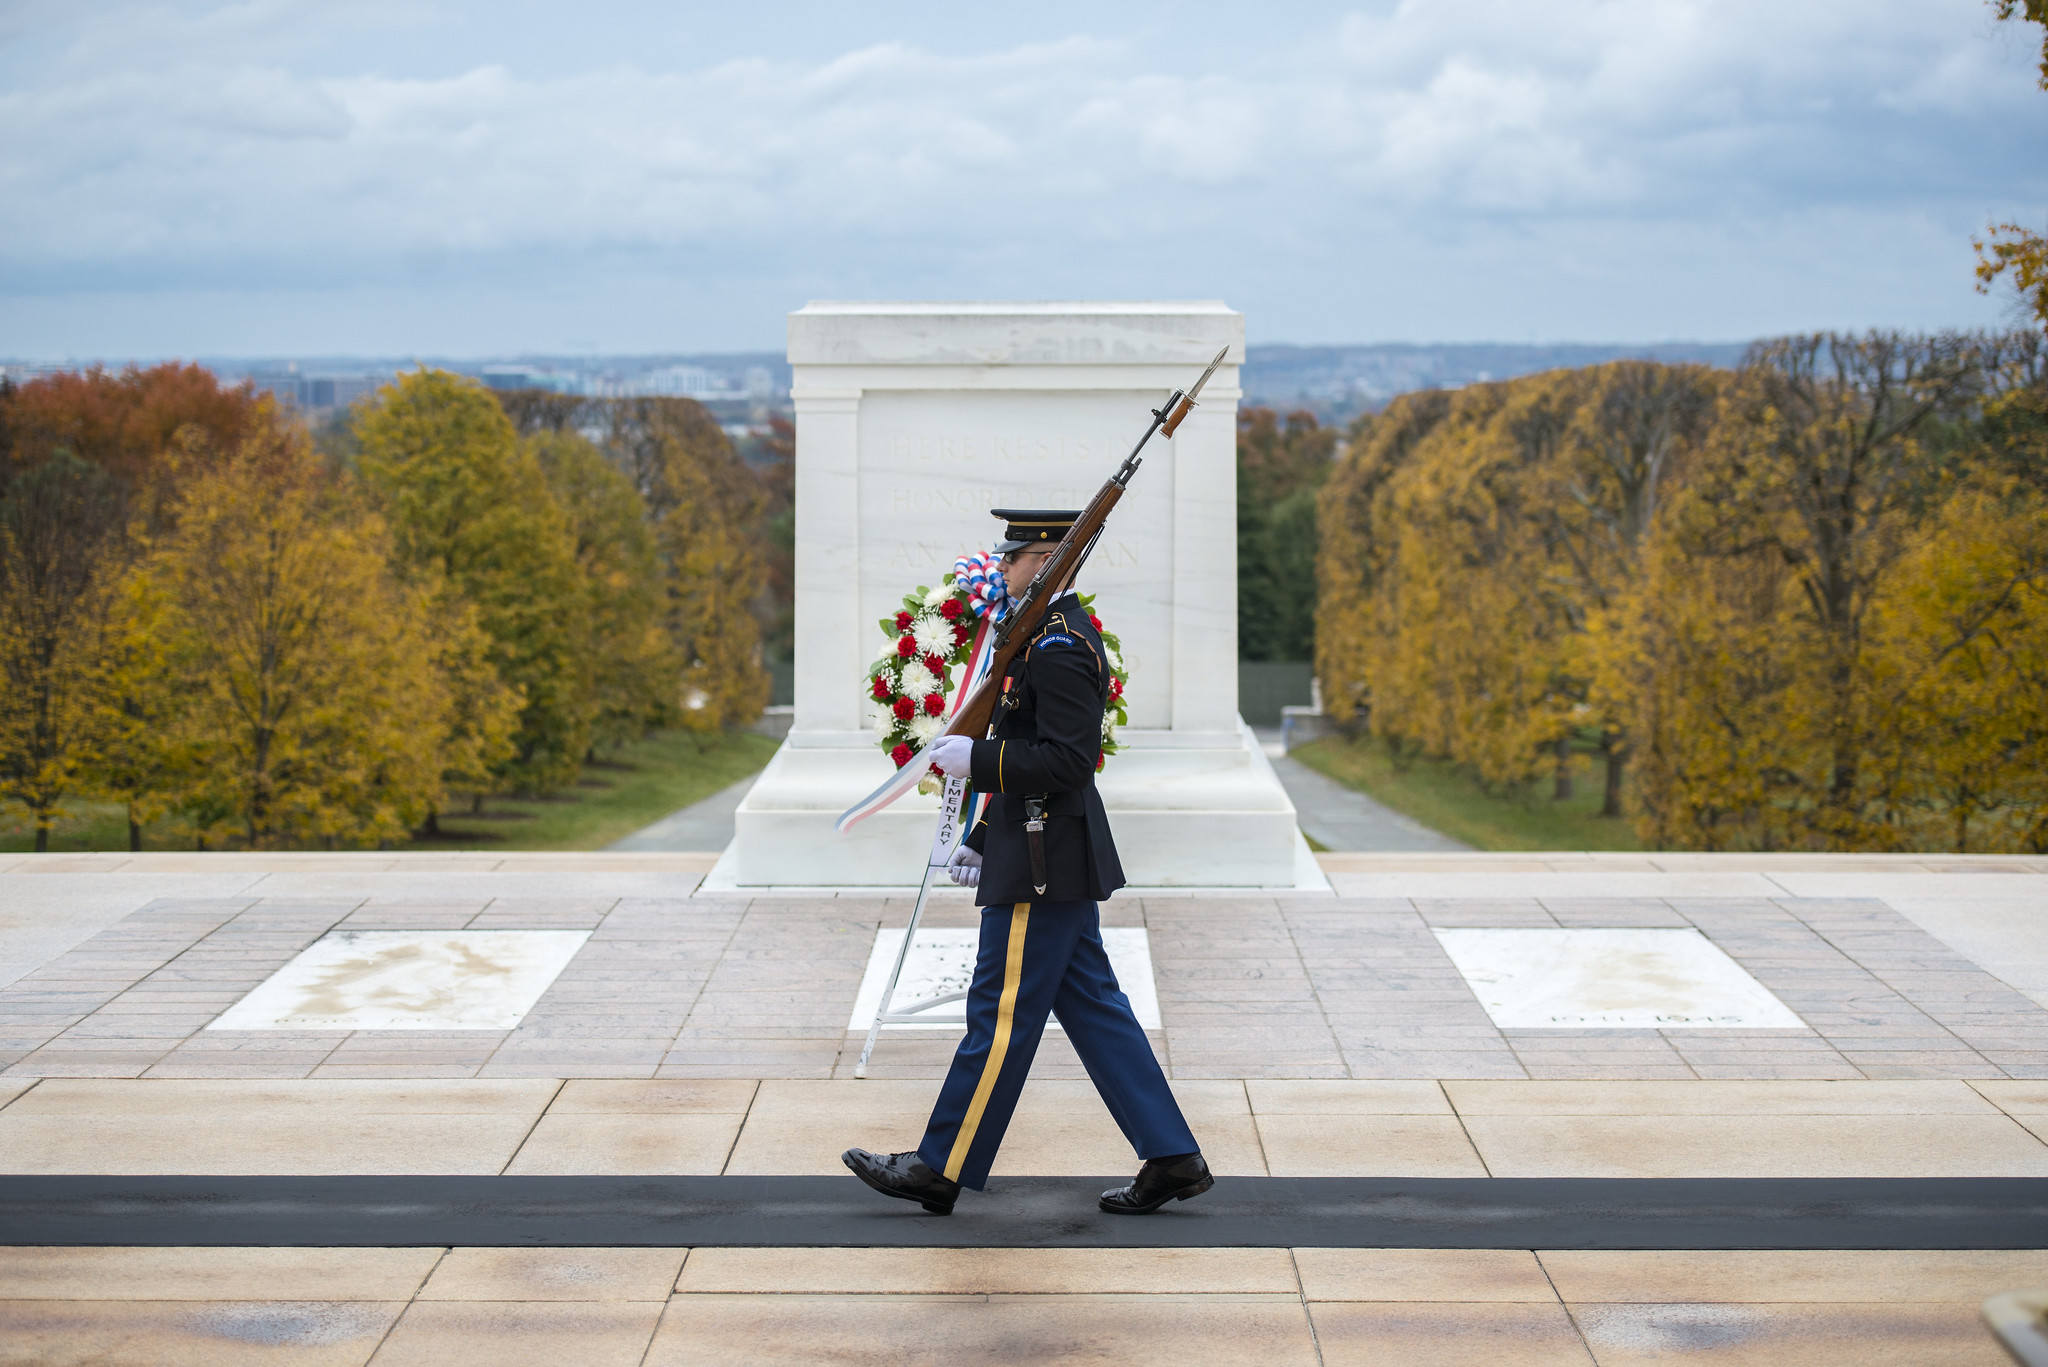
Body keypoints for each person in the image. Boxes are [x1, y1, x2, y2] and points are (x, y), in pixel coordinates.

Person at [841, 507, 1212, 1217]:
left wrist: (975, 758)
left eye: (1011, 558)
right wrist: (983, 834)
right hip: (1043, 847)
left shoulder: (1061, 646)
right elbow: (1028, 739)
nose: (1001, 568)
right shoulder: (1039, 637)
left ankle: (939, 1165)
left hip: (1045, 860)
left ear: (1042, 563)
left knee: (1000, 1013)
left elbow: (1070, 760)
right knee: (1096, 1007)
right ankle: (1172, 1155)